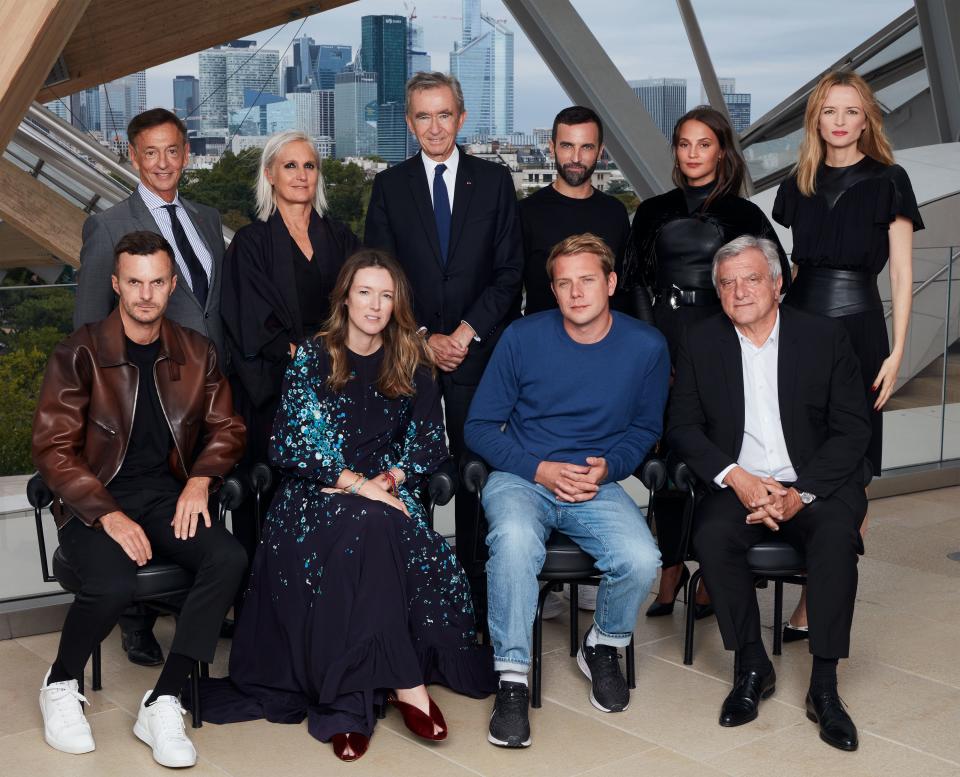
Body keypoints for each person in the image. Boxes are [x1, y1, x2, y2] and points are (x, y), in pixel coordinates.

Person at [201, 250, 497, 762]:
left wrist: (394, 476)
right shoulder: (314, 356)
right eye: (365, 292)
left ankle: (348, 701)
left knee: (373, 525)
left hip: (382, 494)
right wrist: (357, 485)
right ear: (345, 297)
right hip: (313, 497)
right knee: (372, 521)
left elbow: (429, 442)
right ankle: (407, 687)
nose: (375, 305)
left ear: (397, 303)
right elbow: (292, 443)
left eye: (386, 295)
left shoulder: (412, 359)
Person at [33, 231, 247, 768]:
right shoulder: (79, 351)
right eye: (134, 282)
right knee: (112, 582)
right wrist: (106, 514)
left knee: (229, 557)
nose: (146, 294)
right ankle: (60, 683)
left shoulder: (197, 353)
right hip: (94, 498)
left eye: (156, 282)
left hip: (166, 497)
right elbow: (54, 449)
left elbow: (228, 429)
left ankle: (165, 698)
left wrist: (200, 480)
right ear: (116, 284)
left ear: (172, 285)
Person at [666, 235, 871, 752]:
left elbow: (852, 429)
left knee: (834, 536)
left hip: (813, 484)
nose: (739, 291)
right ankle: (752, 664)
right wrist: (737, 478)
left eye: (752, 278)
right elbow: (683, 428)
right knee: (711, 535)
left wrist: (799, 493)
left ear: (778, 284)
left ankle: (824, 687)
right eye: (728, 282)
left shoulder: (824, 336)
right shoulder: (699, 340)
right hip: (740, 482)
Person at [465, 233, 669, 748]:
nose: (576, 293)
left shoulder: (647, 346)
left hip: (591, 481)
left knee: (642, 559)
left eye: (587, 280)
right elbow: (481, 427)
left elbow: (645, 431)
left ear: (611, 283)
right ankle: (512, 679)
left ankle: (602, 644)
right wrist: (539, 469)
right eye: (564, 284)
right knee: (512, 542)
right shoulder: (521, 337)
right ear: (553, 292)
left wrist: (608, 469)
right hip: (522, 476)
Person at [622, 106, 791, 621]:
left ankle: (716, 574)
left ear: (722, 151)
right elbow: (633, 284)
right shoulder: (652, 211)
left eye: (704, 144)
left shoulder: (745, 215)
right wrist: (654, 353)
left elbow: (776, 279)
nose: (693, 154)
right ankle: (670, 569)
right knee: (669, 465)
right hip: (664, 342)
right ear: (675, 151)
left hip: (725, 345)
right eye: (684, 144)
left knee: (723, 457)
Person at [72, 108, 228, 667]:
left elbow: (214, 310)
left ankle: (195, 606)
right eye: (150, 153)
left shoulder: (206, 218)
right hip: (136, 392)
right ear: (132, 157)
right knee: (139, 488)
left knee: (193, 497)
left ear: (186, 154)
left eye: (172, 151)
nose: (162, 163)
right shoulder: (110, 224)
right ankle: (134, 622)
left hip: (200, 388)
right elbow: (89, 319)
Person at [773, 71, 923, 642]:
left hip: (861, 331)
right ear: (817, 118)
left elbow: (905, 275)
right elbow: (791, 271)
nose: (840, 121)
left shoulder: (890, 180)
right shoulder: (800, 182)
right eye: (830, 111)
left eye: (851, 111)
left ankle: (819, 597)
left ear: (867, 119)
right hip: (800, 328)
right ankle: (802, 570)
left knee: (852, 465)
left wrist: (899, 351)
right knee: (801, 453)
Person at [364, 72, 523, 607]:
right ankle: (418, 589)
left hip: (479, 356)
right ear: (410, 124)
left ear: (461, 117)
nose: (435, 126)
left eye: (444, 114)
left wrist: (464, 332)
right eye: (423, 116)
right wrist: (424, 336)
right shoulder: (389, 186)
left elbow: (509, 272)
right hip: (409, 356)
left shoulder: (496, 182)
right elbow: (380, 273)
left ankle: (476, 595)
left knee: (480, 472)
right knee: (412, 470)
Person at [220, 130, 360, 565]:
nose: (301, 175)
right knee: (270, 500)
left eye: (310, 165)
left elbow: (365, 301)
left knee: (333, 493)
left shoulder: (340, 237)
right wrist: (302, 355)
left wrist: (338, 354)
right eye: (290, 166)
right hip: (275, 388)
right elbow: (248, 317)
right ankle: (262, 609)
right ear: (270, 176)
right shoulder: (251, 242)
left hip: (340, 381)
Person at [519, 106, 630, 316]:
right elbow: (508, 288)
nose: (576, 158)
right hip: (543, 342)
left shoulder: (615, 212)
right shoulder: (526, 213)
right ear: (552, 148)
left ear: (600, 150)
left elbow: (624, 290)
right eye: (567, 146)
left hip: (605, 342)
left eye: (586, 147)